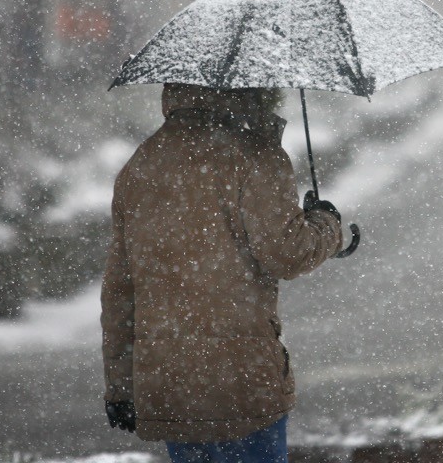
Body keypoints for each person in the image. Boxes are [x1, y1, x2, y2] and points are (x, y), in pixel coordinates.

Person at [101, 83, 344, 463]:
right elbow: (289, 253)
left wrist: (120, 386)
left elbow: (120, 290)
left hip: (171, 383)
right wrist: (326, 223)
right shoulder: (255, 156)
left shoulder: (142, 163)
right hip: (242, 379)